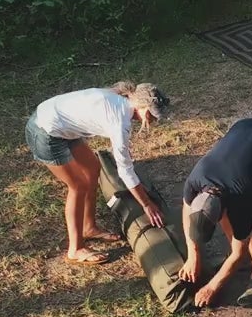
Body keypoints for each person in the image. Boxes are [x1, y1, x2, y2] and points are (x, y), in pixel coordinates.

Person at [25, 81, 169, 264]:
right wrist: (147, 204)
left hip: (60, 126)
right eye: (151, 116)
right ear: (143, 108)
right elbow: (125, 171)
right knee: (78, 186)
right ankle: (75, 250)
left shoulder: (121, 99)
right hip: (45, 131)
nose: (152, 121)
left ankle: (89, 227)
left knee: (93, 170)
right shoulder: (119, 122)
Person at [180, 117, 252, 308]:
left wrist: (212, 287)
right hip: (244, 126)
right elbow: (186, 209)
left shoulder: (241, 199)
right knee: (239, 236)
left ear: (224, 210)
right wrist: (193, 255)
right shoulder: (195, 180)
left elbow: (239, 250)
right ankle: (236, 264)